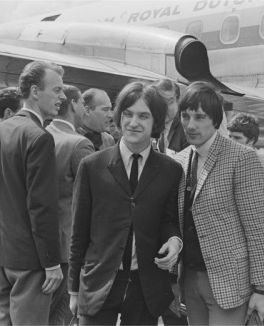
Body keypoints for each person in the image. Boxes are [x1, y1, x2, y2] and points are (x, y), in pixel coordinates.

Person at [68, 81, 183, 325]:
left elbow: (169, 220)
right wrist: (74, 290)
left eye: (143, 116)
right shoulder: (91, 166)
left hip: (145, 287)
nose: (133, 122)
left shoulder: (170, 170)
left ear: (156, 123)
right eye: (128, 114)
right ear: (119, 116)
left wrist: (174, 241)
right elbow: (78, 232)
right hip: (99, 283)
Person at [175, 81, 264, 325]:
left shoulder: (242, 158)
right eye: (185, 116)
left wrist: (260, 289)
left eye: (199, 117)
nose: (190, 124)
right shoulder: (181, 159)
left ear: (216, 121)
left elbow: (257, 228)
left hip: (229, 283)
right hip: (190, 279)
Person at [0, 60, 64, 324]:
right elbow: (42, 206)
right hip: (32, 261)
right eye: (57, 90)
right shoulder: (39, 137)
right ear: (35, 91)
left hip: (5, 255)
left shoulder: (4, 129)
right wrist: (51, 262)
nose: (62, 97)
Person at [46, 85, 94, 325]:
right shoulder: (79, 144)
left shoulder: (42, 135)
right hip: (67, 248)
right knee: (61, 317)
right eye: (83, 104)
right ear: (73, 104)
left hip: (38, 245)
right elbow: (92, 199)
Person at [153, 79, 188, 154]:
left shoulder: (186, 128)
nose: (164, 108)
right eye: (160, 102)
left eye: (169, 102)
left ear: (178, 101)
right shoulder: (155, 124)